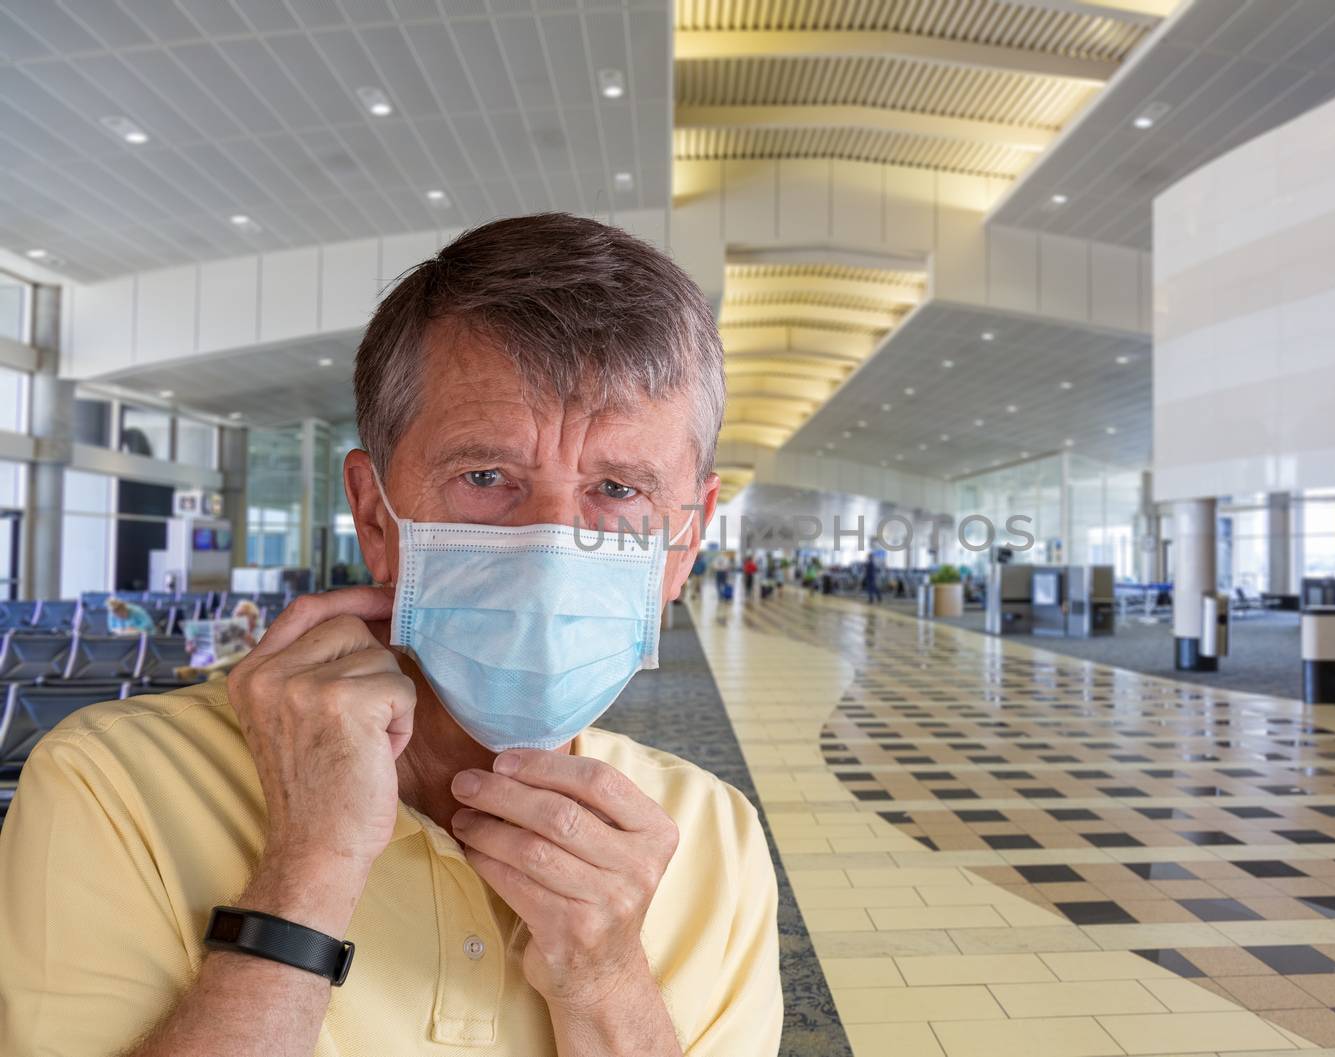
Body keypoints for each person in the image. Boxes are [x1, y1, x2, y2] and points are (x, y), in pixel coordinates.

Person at [0, 214, 780, 1057]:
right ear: (377, 515)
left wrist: (605, 978)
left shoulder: (714, 838)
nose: (550, 548)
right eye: (485, 476)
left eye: (619, 487)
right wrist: (307, 873)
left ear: (684, 544)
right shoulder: (116, 788)